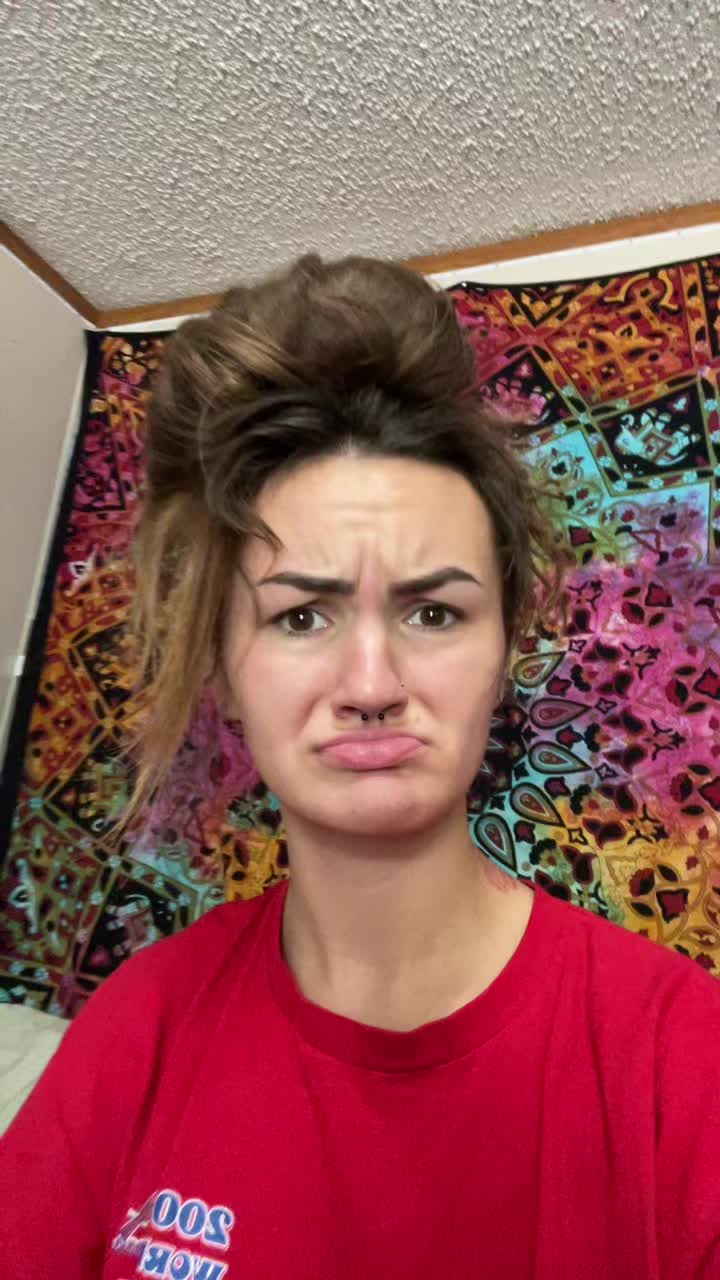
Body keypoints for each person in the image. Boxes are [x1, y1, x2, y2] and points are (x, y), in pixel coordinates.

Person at [1, 254, 719, 1280]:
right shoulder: (139, 1028)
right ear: (223, 669)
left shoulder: (680, 1059)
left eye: (434, 612)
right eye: (302, 616)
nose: (372, 683)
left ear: (506, 648)